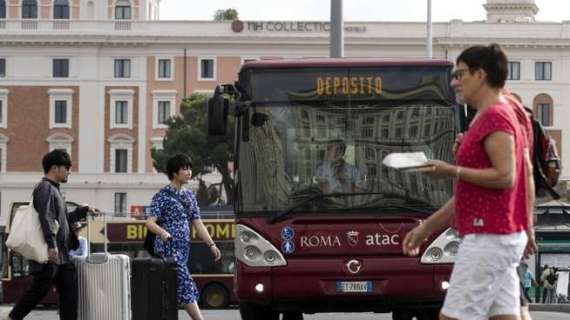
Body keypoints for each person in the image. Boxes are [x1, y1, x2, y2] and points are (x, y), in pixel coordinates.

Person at [402, 43, 537, 320]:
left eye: (460, 74)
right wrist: (427, 227)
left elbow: (506, 175)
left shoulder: (495, 117)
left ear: (481, 75)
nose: (455, 82)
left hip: (488, 235)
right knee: (505, 316)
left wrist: (452, 170)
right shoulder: (491, 116)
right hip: (498, 234)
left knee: (454, 316)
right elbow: (472, 191)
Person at [8, 150, 98, 320]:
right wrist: (51, 245)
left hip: (61, 256)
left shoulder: (54, 190)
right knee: (38, 291)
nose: (69, 171)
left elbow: (62, 220)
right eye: (67, 167)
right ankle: (13, 317)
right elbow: (46, 218)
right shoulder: (45, 188)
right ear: (55, 168)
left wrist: (82, 211)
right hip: (50, 254)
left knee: (70, 292)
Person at [146, 154, 221, 320]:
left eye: (190, 168)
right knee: (185, 282)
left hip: (183, 248)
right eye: (184, 169)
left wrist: (211, 245)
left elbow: (198, 223)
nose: (189, 172)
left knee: (174, 285)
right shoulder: (162, 196)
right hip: (167, 247)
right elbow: (150, 223)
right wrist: (163, 233)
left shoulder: (189, 196)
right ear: (174, 173)